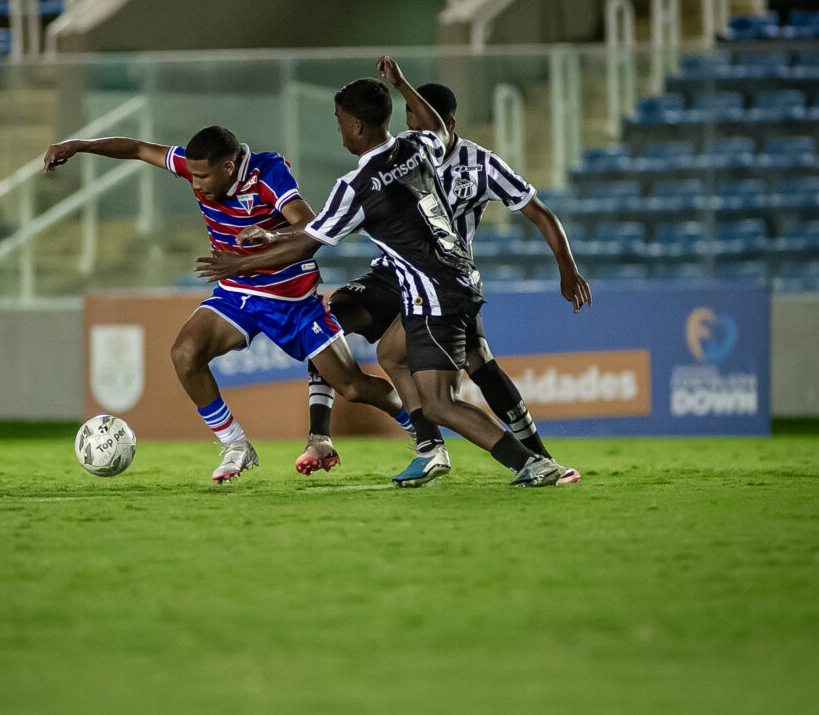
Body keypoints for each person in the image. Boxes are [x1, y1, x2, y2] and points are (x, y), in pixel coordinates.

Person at [197, 57, 566, 487]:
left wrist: (238, 263)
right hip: (461, 278)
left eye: (338, 120)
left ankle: (531, 462)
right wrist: (403, 84)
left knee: (441, 403)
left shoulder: (357, 186)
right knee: (391, 353)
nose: (337, 129)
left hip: (431, 298)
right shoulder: (416, 147)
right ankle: (429, 451)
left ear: (356, 125)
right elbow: (442, 131)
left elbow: (307, 242)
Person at [43, 125, 413, 484]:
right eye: (193, 174)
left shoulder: (268, 172)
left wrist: (269, 234)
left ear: (228, 168)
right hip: (237, 293)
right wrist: (79, 145)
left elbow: (310, 223)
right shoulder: (195, 167)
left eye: (203, 176)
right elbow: (139, 149)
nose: (196, 183)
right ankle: (235, 444)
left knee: (352, 387)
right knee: (185, 354)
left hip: (292, 298)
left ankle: (422, 430)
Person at [306, 82, 591, 487]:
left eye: (418, 116)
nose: (411, 124)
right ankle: (427, 449)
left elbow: (539, 212)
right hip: (395, 274)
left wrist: (567, 267)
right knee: (352, 331)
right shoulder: (406, 150)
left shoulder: (478, 164)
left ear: (446, 122)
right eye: (406, 116)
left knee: (475, 368)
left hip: (442, 281)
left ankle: (536, 459)